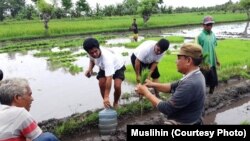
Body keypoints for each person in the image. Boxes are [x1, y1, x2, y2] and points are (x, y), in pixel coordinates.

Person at [135, 43, 206, 125]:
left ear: (188, 61)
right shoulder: (196, 74)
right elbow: (171, 86)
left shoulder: (190, 83)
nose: (176, 61)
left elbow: (167, 108)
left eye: (179, 58)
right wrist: (152, 84)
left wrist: (146, 93)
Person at [83, 38, 126, 108]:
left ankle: (115, 103)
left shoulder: (107, 58)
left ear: (98, 48)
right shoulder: (90, 53)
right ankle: (107, 104)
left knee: (117, 86)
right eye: (91, 53)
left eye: (95, 51)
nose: (94, 54)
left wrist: (107, 96)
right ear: (88, 52)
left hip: (118, 66)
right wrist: (90, 69)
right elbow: (92, 60)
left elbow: (109, 78)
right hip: (103, 67)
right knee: (101, 83)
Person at [197, 15, 220, 94]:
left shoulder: (213, 35)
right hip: (205, 63)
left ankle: (211, 93)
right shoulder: (200, 36)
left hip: (212, 62)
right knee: (203, 81)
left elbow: (213, 48)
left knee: (213, 80)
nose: (210, 26)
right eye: (208, 24)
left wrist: (217, 59)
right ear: (203, 25)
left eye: (211, 24)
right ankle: (202, 96)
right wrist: (200, 63)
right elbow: (197, 51)